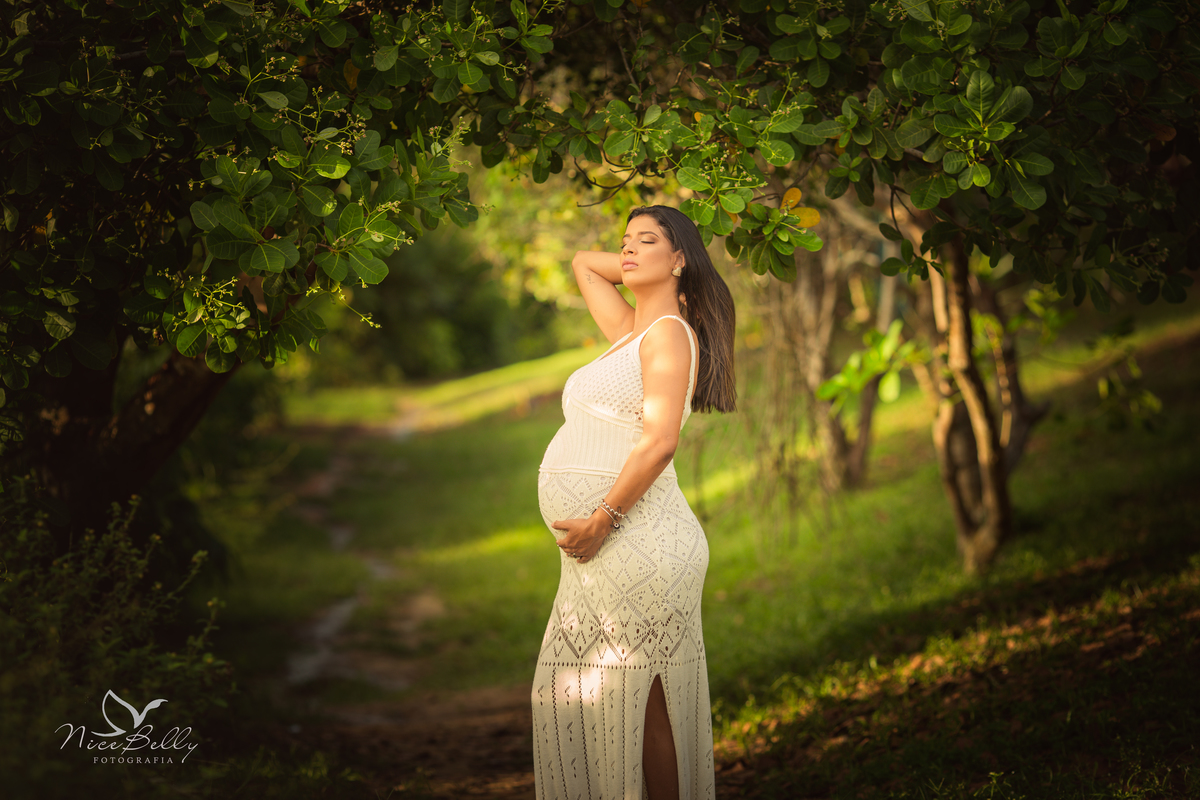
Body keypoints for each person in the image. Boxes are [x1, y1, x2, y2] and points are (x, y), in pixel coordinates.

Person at [531, 205, 737, 799]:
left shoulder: (670, 334)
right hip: (607, 553)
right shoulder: (631, 332)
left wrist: (601, 520)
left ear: (681, 259)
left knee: (645, 710)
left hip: (639, 544)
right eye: (624, 240)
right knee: (598, 695)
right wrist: (642, 259)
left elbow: (660, 442)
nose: (625, 250)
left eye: (647, 241)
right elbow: (582, 263)